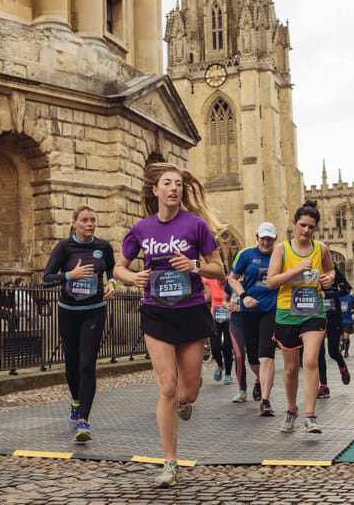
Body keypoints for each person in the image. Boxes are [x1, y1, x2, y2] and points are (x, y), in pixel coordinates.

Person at [113, 162, 225, 488]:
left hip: (190, 311)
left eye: (178, 184)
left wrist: (195, 266)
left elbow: (219, 269)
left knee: (188, 390)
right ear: (156, 190)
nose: (174, 188)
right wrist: (133, 276)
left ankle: (187, 401)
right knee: (167, 387)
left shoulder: (196, 226)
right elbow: (119, 268)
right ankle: (170, 462)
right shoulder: (142, 229)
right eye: (167, 183)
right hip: (156, 312)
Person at [42, 205, 117, 442]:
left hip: (94, 310)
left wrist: (112, 282)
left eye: (93, 220)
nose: (90, 224)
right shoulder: (65, 247)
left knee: (87, 364)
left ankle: (83, 420)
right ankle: (75, 402)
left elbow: (113, 268)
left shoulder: (103, 247)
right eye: (84, 220)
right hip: (68, 311)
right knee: (72, 364)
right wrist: (68, 276)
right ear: (74, 223)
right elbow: (46, 279)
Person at [266, 199, 334, 434]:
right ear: (294, 224)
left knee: (311, 361)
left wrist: (329, 278)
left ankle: (310, 416)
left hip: (313, 311)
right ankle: (291, 409)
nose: (306, 230)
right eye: (302, 225)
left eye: (311, 227)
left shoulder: (321, 249)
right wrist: (295, 270)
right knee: (291, 368)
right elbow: (271, 282)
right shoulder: (281, 249)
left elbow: (329, 270)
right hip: (286, 312)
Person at [227, 222, 280, 412]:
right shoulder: (246, 254)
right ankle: (259, 379)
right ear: (257, 237)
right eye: (263, 238)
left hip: (271, 310)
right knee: (253, 359)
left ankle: (265, 400)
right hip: (249, 311)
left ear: (275, 239)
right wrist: (244, 296)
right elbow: (232, 278)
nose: (266, 242)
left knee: (267, 354)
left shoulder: (279, 254)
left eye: (270, 239)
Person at [316, 264, 352, 398]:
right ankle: (323, 386)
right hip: (315, 315)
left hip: (333, 315)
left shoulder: (332, 269)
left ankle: (342, 365)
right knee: (319, 352)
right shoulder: (306, 267)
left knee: (333, 351)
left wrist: (329, 294)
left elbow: (347, 289)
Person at [204, 276, 233, 385]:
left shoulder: (230, 281)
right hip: (215, 318)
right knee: (215, 347)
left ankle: (228, 375)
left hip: (229, 319)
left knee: (227, 347)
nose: (220, 281)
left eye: (222, 278)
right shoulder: (211, 280)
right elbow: (198, 276)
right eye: (218, 278)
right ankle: (220, 365)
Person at [339, 289, 354, 358]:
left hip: (347, 319)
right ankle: (342, 346)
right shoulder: (336, 296)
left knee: (346, 335)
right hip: (338, 320)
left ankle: (346, 351)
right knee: (340, 337)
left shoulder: (350, 297)